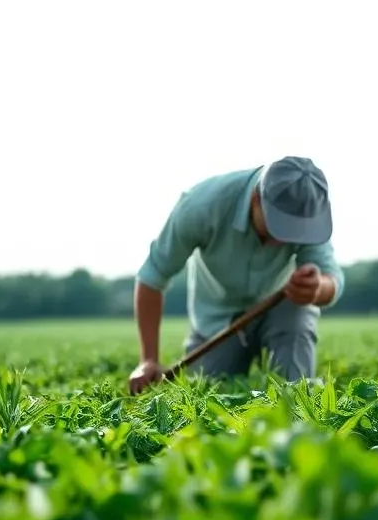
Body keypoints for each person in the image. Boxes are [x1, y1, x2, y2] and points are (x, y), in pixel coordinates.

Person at [127, 156, 343, 393]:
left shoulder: (306, 210)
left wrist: (317, 288)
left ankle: (296, 401)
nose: (284, 240)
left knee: (297, 326)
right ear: (255, 199)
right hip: (217, 322)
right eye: (278, 229)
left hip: (281, 308)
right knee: (207, 396)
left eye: (295, 233)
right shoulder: (202, 206)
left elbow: (331, 277)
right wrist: (148, 359)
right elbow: (152, 276)